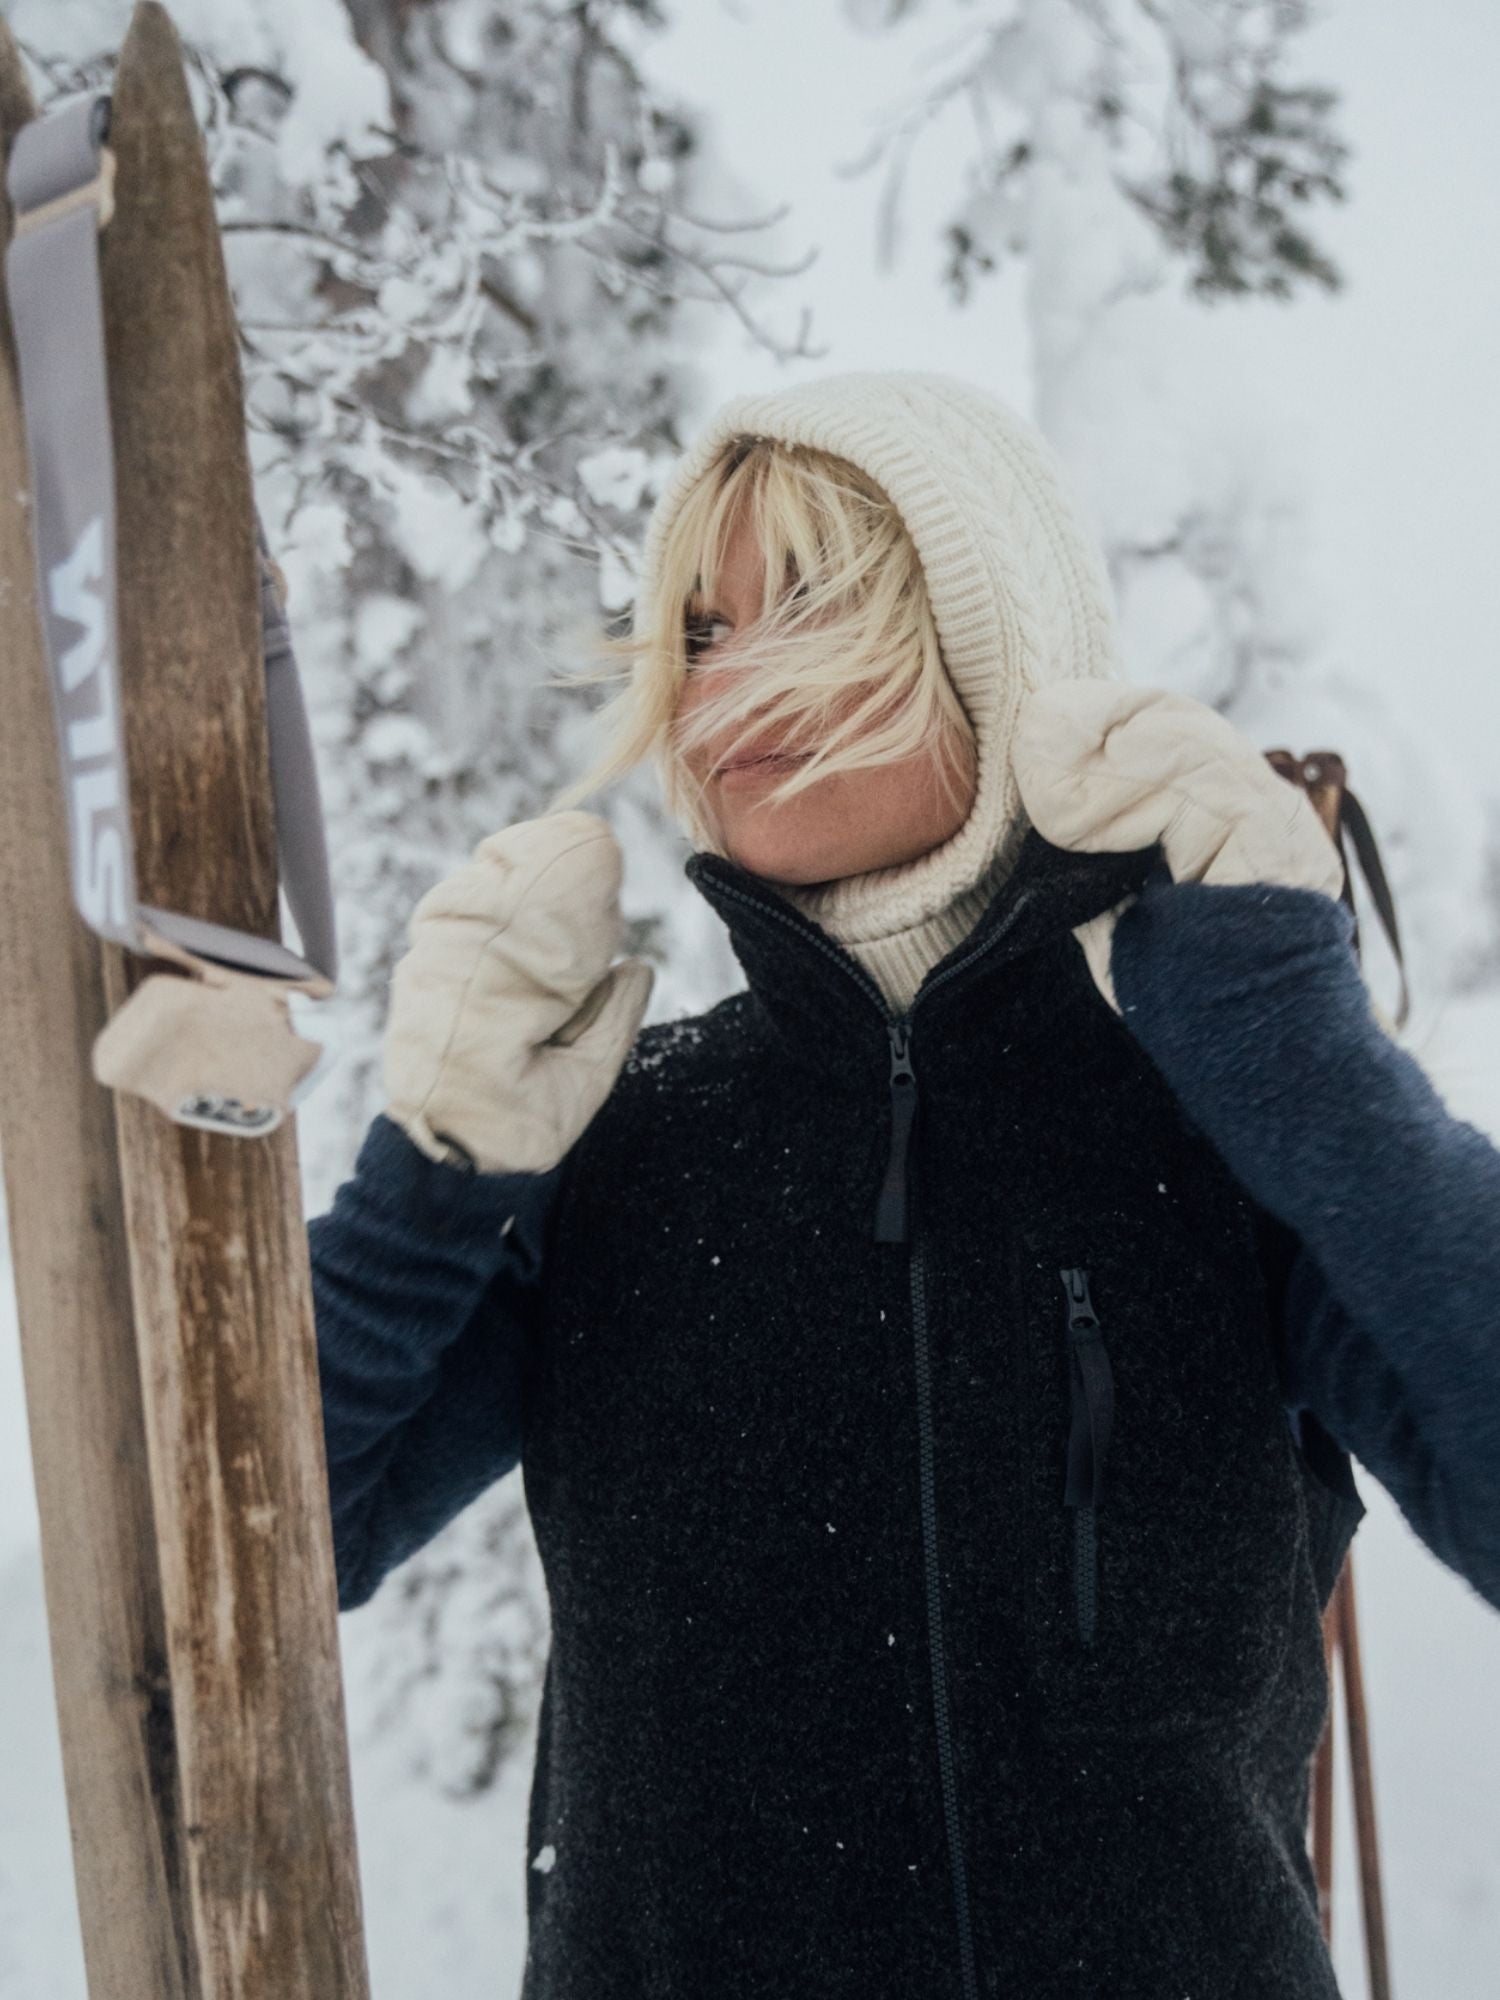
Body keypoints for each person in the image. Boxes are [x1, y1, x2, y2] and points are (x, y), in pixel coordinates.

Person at [309, 370, 1500, 2000]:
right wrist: (434, 1177)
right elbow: (268, 1542)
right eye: (703, 632)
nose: (729, 689)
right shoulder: (626, 1141)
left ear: (993, 645)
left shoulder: (1206, 1127)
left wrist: (1299, 1061)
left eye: (813, 606)